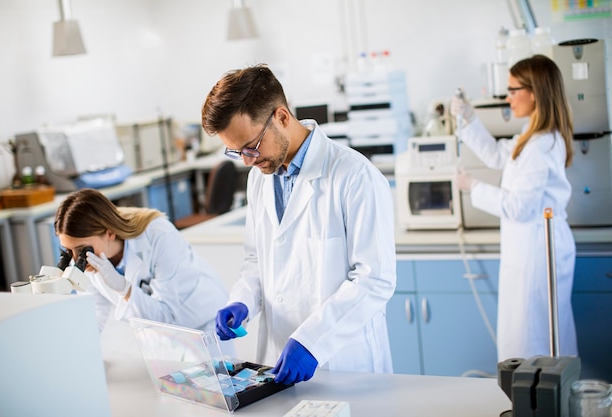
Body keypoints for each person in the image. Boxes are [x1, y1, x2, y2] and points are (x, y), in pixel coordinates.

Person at [202, 64, 397, 385]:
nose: (248, 160)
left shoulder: (354, 175)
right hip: (278, 358)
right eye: (237, 152)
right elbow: (257, 261)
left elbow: (374, 279)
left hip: (342, 361)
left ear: (281, 117)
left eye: (251, 146)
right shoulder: (259, 181)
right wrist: (242, 300)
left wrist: (313, 340)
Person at [450, 54, 577, 361]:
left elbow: (519, 207)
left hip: (537, 250)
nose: (507, 98)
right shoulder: (532, 138)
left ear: (534, 93)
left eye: (512, 90)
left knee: (532, 337)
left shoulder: (540, 146)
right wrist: (468, 119)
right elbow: (496, 155)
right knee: (533, 332)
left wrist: (474, 187)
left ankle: (537, 400)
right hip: (531, 246)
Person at [54, 188, 231, 341]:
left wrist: (125, 289)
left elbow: (166, 314)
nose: (78, 260)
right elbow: (96, 309)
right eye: (69, 251)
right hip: (160, 338)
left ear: (109, 233)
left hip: (202, 322)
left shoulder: (157, 234)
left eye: (83, 250)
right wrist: (79, 346)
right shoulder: (88, 261)